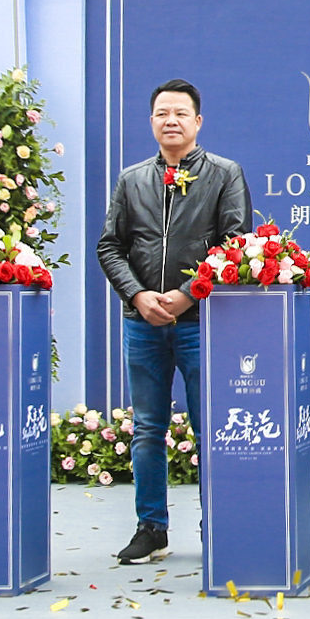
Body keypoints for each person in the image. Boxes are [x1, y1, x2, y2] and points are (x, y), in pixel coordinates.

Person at [94, 79, 251, 565]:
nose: (171, 121)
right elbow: (110, 246)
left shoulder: (224, 174)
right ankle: (151, 528)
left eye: (181, 113)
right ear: (151, 122)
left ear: (197, 122)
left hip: (201, 323)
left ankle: (217, 525)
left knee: (211, 429)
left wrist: (187, 295)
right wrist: (137, 295)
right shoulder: (131, 179)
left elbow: (235, 245)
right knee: (147, 428)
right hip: (142, 323)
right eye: (162, 113)